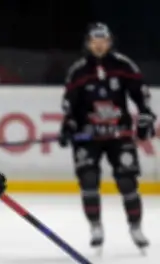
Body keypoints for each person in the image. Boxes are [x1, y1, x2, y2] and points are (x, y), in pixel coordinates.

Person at [59, 22, 155, 251]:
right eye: (95, 41)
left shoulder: (123, 65)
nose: (100, 45)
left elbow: (142, 95)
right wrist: (69, 125)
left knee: (127, 181)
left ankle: (135, 227)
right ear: (89, 43)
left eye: (103, 41)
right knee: (89, 181)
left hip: (118, 134)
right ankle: (95, 226)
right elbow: (69, 105)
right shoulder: (79, 70)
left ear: (110, 42)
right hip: (88, 137)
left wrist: (145, 117)